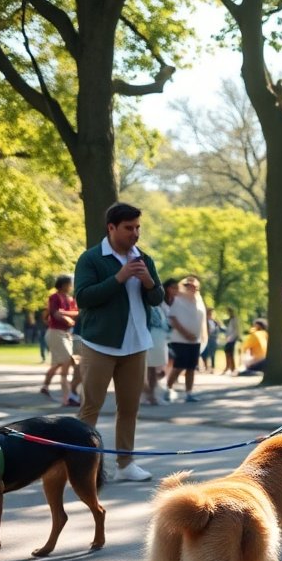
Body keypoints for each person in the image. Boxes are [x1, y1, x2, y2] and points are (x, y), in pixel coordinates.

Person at [73, 202, 165, 482]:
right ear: (111, 228)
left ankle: (126, 465)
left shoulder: (144, 258)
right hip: (100, 344)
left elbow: (158, 298)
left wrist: (150, 283)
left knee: (129, 408)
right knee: (91, 406)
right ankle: (81, 465)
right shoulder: (91, 259)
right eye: (129, 228)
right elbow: (84, 298)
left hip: (136, 345)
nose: (135, 233)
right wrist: (118, 278)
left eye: (138, 227)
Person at [164, 275, 207, 403]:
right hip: (179, 339)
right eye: (188, 285)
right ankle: (168, 389)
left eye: (194, 286)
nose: (192, 288)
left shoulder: (199, 301)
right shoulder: (178, 299)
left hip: (195, 340)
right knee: (178, 366)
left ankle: (189, 393)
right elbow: (172, 319)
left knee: (191, 367)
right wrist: (185, 333)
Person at [41, 275, 81, 404]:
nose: (71, 286)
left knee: (60, 363)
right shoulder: (54, 297)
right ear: (63, 284)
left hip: (66, 334)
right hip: (55, 332)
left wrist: (63, 313)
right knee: (67, 360)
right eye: (69, 284)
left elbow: (77, 313)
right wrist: (66, 318)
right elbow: (54, 312)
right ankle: (67, 397)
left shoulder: (70, 299)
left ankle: (45, 386)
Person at [143, 278, 179, 406]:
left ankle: (151, 393)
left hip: (161, 337)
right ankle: (149, 394)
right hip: (153, 336)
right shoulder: (156, 302)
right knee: (149, 368)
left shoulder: (169, 302)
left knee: (154, 368)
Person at [221, 308, 239, 374]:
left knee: (231, 353)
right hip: (229, 339)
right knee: (227, 352)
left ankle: (233, 368)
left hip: (232, 339)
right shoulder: (230, 320)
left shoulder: (235, 320)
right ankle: (228, 367)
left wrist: (231, 337)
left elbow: (236, 330)